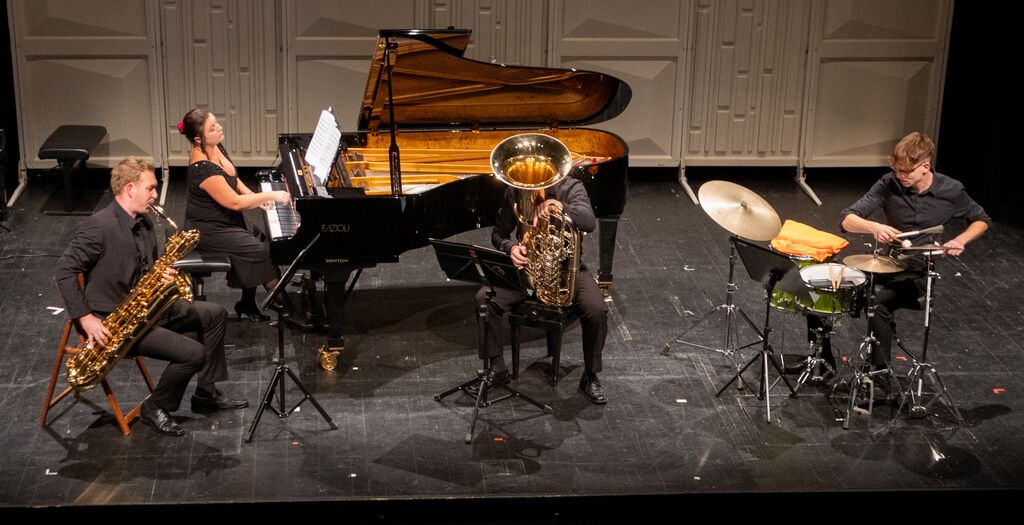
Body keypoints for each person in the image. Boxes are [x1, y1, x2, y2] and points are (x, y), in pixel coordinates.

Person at [55, 157, 247, 437]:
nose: (156, 195)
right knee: (193, 353)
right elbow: (64, 271)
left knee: (214, 314)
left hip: (146, 308)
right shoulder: (99, 226)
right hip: (115, 323)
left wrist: (162, 275)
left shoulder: (144, 223)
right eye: (151, 188)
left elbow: (146, 268)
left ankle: (206, 393)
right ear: (130, 188)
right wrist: (85, 318)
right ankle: (155, 406)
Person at [840, 132, 991, 370]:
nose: (900, 176)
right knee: (829, 286)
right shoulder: (889, 183)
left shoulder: (951, 190)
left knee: (877, 304)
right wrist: (874, 227)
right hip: (887, 262)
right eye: (897, 170)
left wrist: (960, 240)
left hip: (918, 271)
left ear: (925, 167)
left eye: (906, 172)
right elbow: (847, 219)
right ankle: (823, 361)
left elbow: (981, 219)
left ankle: (880, 374)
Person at [476, 176, 609, 404]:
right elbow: (498, 234)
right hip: (527, 269)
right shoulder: (515, 190)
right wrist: (510, 247)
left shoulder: (571, 187)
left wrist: (559, 205)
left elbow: (589, 221)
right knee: (484, 299)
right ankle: (497, 367)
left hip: (566, 270)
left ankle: (590, 375)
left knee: (596, 309)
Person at [179, 108, 295, 322]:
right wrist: (270, 195)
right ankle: (285, 308)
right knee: (257, 250)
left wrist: (252, 195)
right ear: (198, 139)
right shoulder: (202, 168)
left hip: (224, 219)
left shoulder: (214, 146)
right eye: (212, 128)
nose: (219, 128)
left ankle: (247, 303)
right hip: (208, 229)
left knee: (261, 237)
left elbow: (232, 177)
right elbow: (235, 202)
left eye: (217, 123)